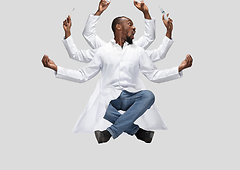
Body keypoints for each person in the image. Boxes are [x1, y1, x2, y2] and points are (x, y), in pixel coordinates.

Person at [42, 14, 193, 144]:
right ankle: (138, 132)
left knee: (149, 96)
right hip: (109, 100)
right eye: (130, 24)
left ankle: (109, 132)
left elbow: (154, 75)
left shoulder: (139, 51)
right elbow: (83, 75)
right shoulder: (102, 51)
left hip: (131, 97)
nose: (134, 28)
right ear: (118, 27)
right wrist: (57, 69)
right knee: (99, 104)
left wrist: (178, 69)